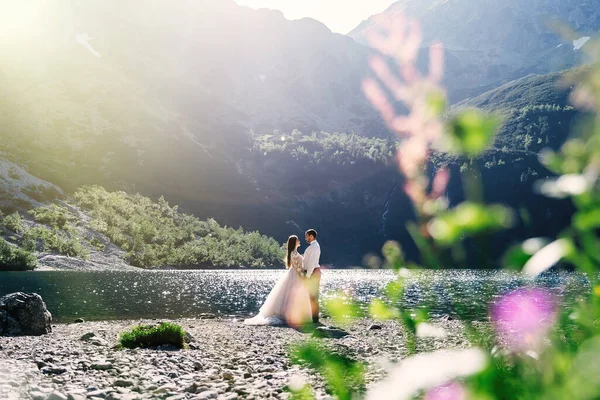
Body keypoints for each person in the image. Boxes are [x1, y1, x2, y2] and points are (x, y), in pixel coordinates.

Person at [244, 235, 312, 327]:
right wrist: (303, 276)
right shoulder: (294, 253)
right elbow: (297, 268)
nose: (299, 241)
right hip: (295, 275)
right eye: (297, 240)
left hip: (295, 274)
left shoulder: (294, 252)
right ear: (294, 242)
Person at [303, 229, 321, 324]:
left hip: (313, 273)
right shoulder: (314, 246)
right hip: (313, 272)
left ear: (311, 236)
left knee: (313, 296)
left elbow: (312, 263)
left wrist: (308, 275)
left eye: (306, 236)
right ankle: (314, 317)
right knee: (312, 296)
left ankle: (315, 319)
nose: (305, 238)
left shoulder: (314, 247)